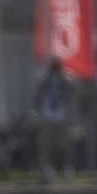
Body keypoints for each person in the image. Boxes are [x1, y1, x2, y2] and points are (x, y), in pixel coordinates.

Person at [32, 56, 78, 184]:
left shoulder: (67, 78)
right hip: (47, 117)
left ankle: (67, 170)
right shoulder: (44, 80)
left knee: (65, 145)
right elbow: (37, 97)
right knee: (47, 145)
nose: (55, 70)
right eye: (53, 67)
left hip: (63, 117)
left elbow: (73, 91)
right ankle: (48, 171)